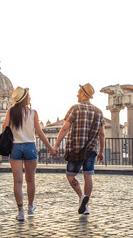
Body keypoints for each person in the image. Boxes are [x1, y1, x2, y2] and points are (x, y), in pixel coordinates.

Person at [3, 86, 58, 221]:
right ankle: (30, 206)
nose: (30, 97)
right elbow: (39, 133)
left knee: (17, 181)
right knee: (30, 180)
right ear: (25, 98)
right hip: (30, 146)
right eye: (29, 96)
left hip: (15, 147)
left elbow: (4, 128)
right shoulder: (33, 113)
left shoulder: (11, 111)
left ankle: (20, 212)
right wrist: (50, 148)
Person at [54, 83, 105, 215]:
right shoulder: (99, 112)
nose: (77, 94)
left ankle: (82, 196)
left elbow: (65, 128)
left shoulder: (75, 108)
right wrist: (101, 151)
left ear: (83, 94)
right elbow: (102, 134)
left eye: (78, 92)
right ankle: (86, 207)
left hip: (75, 149)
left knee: (70, 176)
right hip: (91, 150)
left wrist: (56, 144)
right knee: (88, 176)